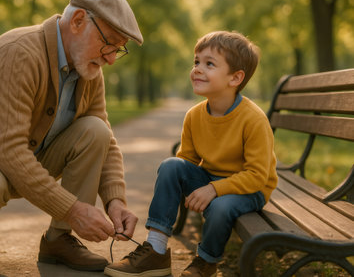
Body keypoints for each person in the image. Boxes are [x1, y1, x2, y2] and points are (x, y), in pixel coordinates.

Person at [0, 0, 143, 272]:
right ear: (78, 21)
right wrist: (74, 210)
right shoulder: (19, 53)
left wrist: (115, 201)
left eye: (118, 50)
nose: (110, 59)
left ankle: (58, 241)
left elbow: (106, 141)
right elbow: (7, 150)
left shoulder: (88, 68)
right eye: (108, 44)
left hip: (27, 153)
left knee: (96, 130)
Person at [104, 31, 278, 277]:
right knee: (171, 165)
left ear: (235, 77)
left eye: (209, 64)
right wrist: (189, 184)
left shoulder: (253, 119)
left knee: (220, 207)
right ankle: (156, 249)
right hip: (212, 178)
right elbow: (186, 161)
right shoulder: (195, 115)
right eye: (196, 61)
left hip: (250, 189)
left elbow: (257, 176)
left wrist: (214, 190)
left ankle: (205, 262)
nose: (197, 68)